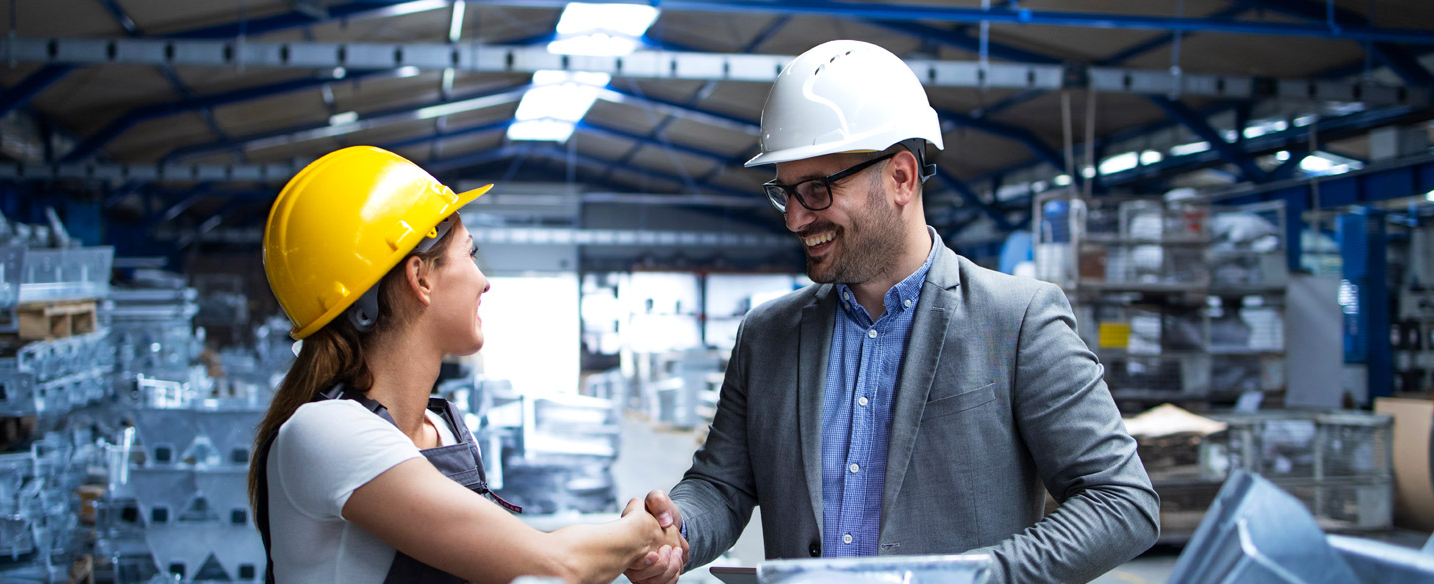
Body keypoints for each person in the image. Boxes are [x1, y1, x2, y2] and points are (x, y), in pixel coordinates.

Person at [624, 40, 1160, 584]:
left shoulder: (1016, 322)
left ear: (901, 178)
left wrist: (979, 575)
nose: (793, 219)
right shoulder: (768, 336)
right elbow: (724, 485)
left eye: (816, 189)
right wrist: (675, 529)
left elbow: (1120, 501)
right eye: (784, 193)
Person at [251, 145, 683, 584]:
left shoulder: (442, 428)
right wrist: (642, 533)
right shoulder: (327, 432)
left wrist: (622, 539)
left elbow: (515, 557)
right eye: (471, 254)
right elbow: (554, 563)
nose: (484, 280)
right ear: (420, 278)